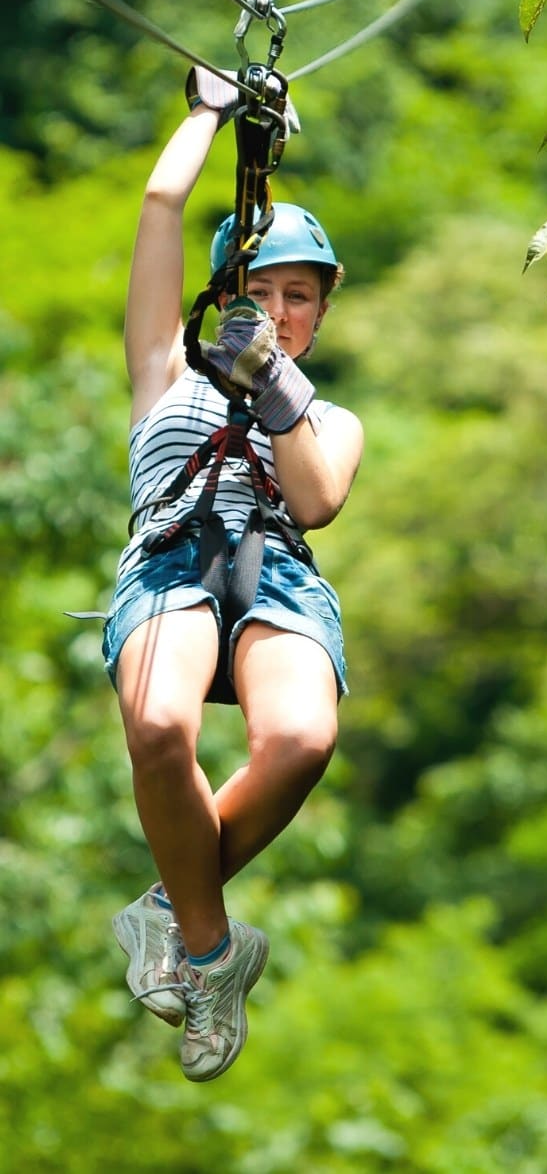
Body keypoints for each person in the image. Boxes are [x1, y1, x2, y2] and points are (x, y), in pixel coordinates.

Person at [103, 68, 364, 1083]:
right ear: (222, 298)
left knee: (300, 739)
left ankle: (169, 910)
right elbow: (160, 204)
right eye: (259, 292)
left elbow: (317, 500)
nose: (279, 310)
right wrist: (209, 115)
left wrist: (273, 385)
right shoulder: (163, 369)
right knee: (160, 727)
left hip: (277, 571)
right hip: (173, 556)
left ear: (320, 315)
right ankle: (212, 953)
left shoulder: (329, 416)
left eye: (299, 297)